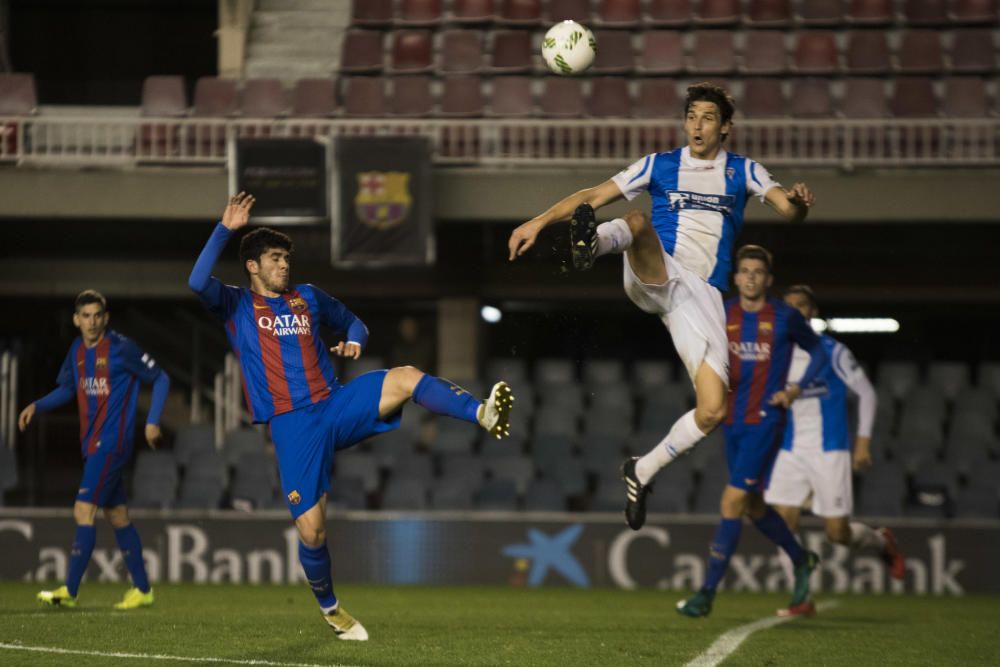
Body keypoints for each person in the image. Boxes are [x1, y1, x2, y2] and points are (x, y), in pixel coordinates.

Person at [189, 193, 514, 641]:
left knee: (405, 377)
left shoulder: (309, 298)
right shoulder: (236, 305)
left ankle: (481, 412)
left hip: (335, 404)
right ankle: (332, 609)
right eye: (275, 258)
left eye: (286, 258)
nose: (284, 265)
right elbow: (195, 281)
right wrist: (225, 228)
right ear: (252, 266)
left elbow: (354, 323)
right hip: (292, 423)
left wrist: (356, 341)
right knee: (313, 532)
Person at [507, 82, 816, 531]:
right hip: (654, 270)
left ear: (725, 127)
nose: (697, 124)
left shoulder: (743, 172)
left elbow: (788, 209)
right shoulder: (660, 165)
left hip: (700, 297)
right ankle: (592, 246)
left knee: (713, 410)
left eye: (708, 117)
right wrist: (537, 221)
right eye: (692, 115)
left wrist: (801, 204)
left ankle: (641, 470)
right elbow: (593, 194)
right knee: (636, 221)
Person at [676, 246, 827, 618]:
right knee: (755, 507)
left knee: (732, 502)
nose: (751, 277)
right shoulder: (721, 312)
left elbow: (820, 351)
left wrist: (795, 388)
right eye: (744, 270)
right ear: (737, 277)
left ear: (768, 279)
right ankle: (801, 558)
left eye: (758, 271)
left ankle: (707, 593)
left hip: (766, 420)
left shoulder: (785, 316)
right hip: (733, 422)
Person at [19, 290, 169, 610]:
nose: (91, 321)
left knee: (83, 510)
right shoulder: (76, 350)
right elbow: (68, 388)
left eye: (97, 315)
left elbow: (161, 378)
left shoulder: (121, 348)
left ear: (106, 317)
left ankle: (69, 591)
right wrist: (37, 405)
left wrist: (152, 422)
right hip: (91, 444)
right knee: (118, 516)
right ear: (76, 320)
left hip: (111, 443)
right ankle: (143, 589)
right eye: (85, 316)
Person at [766, 284, 905, 589]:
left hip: (830, 450)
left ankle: (881, 542)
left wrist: (863, 441)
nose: (794, 312)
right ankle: (799, 596)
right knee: (782, 523)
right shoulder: (778, 354)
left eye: (801, 306)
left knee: (837, 534)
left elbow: (866, 393)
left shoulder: (832, 351)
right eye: (788, 307)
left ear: (812, 312)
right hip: (789, 450)